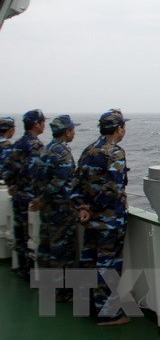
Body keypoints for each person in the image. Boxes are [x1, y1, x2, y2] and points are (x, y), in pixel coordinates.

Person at [71, 109, 130, 326]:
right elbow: (113, 188)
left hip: (90, 220)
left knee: (88, 261)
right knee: (108, 265)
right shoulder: (114, 152)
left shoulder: (88, 150)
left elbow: (76, 183)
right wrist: (95, 209)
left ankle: (87, 306)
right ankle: (108, 314)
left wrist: (82, 208)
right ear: (119, 128)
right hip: (109, 221)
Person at [31, 115, 79, 302]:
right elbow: (60, 182)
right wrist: (46, 198)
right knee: (62, 251)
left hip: (48, 208)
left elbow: (38, 178)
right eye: (73, 129)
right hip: (61, 208)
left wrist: (42, 198)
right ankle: (62, 293)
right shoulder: (62, 152)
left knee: (45, 247)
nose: (74, 132)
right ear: (67, 132)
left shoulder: (46, 149)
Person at [2, 109, 46, 280]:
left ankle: (22, 269)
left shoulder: (17, 144)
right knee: (34, 236)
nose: (43, 125)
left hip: (18, 196)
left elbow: (6, 169)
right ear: (37, 124)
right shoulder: (35, 145)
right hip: (31, 199)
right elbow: (38, 174)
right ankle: (33, 274)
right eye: (42, 122)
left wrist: (13, 185)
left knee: (20, 235)